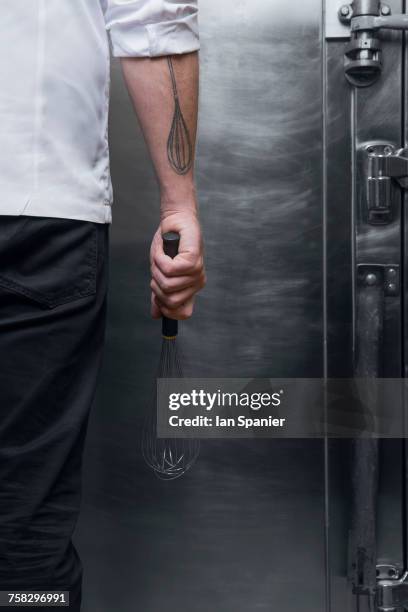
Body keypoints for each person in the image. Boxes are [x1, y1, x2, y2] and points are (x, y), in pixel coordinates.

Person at [0, 1, 205, 610]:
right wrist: (179, 207)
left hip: (43, 218)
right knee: (25, 517)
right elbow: (155, 27)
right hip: (40, 204)